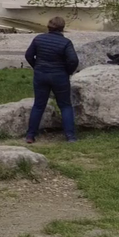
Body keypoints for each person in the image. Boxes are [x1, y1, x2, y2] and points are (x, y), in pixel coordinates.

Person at [24, 16, 80, 144]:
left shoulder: (38, 39)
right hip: (59, 75)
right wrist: (68, 71)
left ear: (48, 27)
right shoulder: (65, 43)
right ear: (62, 28)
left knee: (38, 105)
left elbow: (28, 55)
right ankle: (70, 136)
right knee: (65, 105)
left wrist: (36, 66)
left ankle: (30, 135)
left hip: (41, 75)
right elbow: (73, 60)